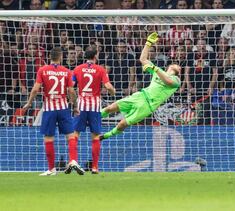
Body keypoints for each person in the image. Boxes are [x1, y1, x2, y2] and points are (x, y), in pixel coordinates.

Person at [99, 32, 181, 140]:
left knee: (122, 124)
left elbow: (168, 82)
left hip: (147, 106)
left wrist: (155, 69)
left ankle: (106, 136)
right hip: (140, 96)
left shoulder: (176, 80)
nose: (178, 66)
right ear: (170, 66)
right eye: (176, 64)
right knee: (110, 108)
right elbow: (143, 59)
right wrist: (148, 43)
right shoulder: (158, 71)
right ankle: (89, 119)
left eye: (179, 67)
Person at [22, 47, 84, 176]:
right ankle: (73, 160)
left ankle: (52, 169)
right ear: (61, 57)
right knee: (70, 135)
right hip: (63, 108)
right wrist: (75, 106)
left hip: (49, 109)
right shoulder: (67, 71)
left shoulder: (43, 70)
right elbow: (71, 91)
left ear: (50, 57)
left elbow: (35, 89)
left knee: (48, 138)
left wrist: (29, 103)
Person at [72, 46, 115, 174]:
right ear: (95, 56)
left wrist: (72, 100)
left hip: (81, 105)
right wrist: (113, 91)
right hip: (95, 106)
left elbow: (71, 86)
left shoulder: (78, 69)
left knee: (75, 134)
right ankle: (95, 167)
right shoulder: (100, 69)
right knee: (95, 136)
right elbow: (107, 86)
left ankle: (73, 161)